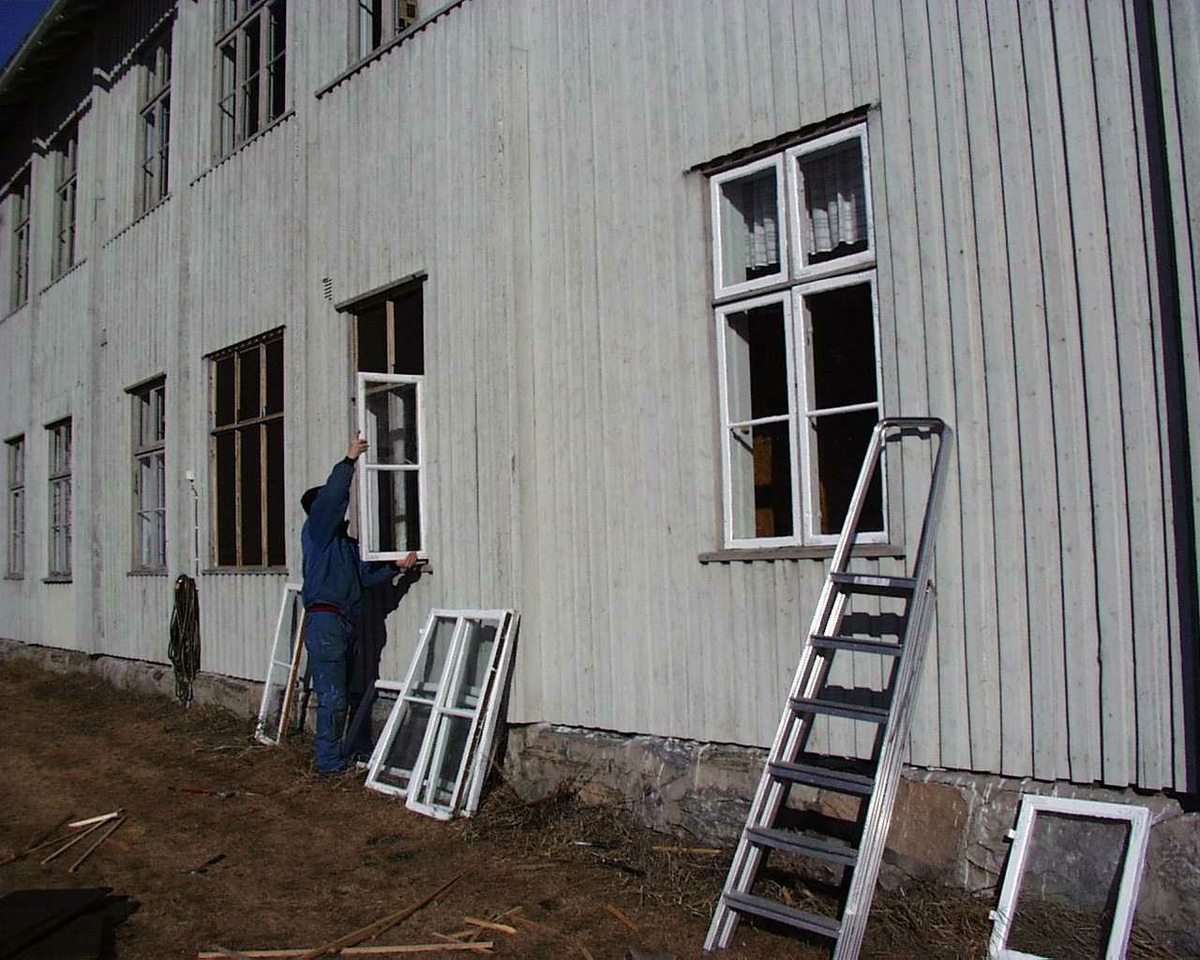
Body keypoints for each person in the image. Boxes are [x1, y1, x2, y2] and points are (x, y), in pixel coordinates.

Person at [301, 431, 419, 775]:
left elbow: (364, 579)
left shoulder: (344, 546)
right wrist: (350, 460)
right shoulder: (318, 533)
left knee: (350, 691)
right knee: (333, 697)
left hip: (344, 623)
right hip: (326, 624)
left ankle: (349, 749)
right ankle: (329, 763)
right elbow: (333, 499)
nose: (339, 508)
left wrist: (396, 569)